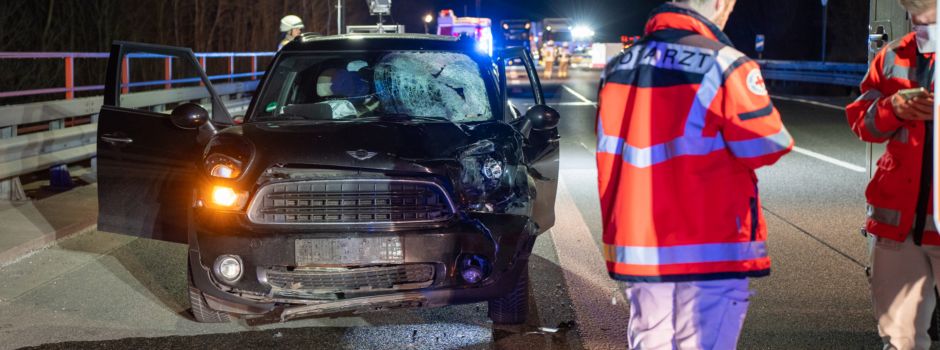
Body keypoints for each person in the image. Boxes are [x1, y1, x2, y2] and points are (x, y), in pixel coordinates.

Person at [595, 0, 793, 348]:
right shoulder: (725, 62)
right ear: (718, 4)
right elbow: (766, 145)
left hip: (640, 244)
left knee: (650, 339)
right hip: (709, 245)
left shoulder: (617, 66)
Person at [845, 0, 939, 348]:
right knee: (900, 340)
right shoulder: (890, 56)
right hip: (897, 229)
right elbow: (860, 119)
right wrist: (892, 109)